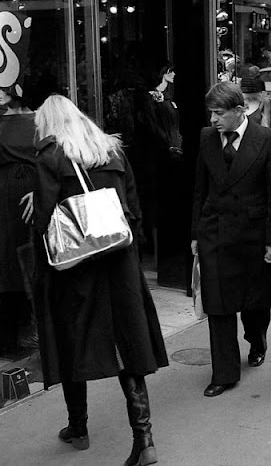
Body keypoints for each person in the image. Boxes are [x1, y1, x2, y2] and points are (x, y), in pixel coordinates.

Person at [31, 95, 168, 466]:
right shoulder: (113, 151)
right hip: (119, 265)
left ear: (48, 124)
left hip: (76, 270)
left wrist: (40, 266)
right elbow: (135, 209)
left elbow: (44, 219)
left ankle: (78, 427)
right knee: (128, 348)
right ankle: (145, 438)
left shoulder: (49, 158)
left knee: (70, 341)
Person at [191, 82, 271, 398]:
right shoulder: (206, 138)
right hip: (214, 231)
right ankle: (225, 372)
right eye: (211, 113)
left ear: (239, 111)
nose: (214, 120)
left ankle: (256, 339)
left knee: (254, 301)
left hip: (252, 234)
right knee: (217, 304)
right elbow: (199, 189)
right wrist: (194, 234)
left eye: (219, 114)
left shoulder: (269, 139)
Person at [0, 87, 36, 357]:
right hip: (28, 192)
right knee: (23, 261)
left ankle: (16, 335)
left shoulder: (38, 121)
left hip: (16, 194)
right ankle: (24, 331)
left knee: (14, 262)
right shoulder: (42, 121)